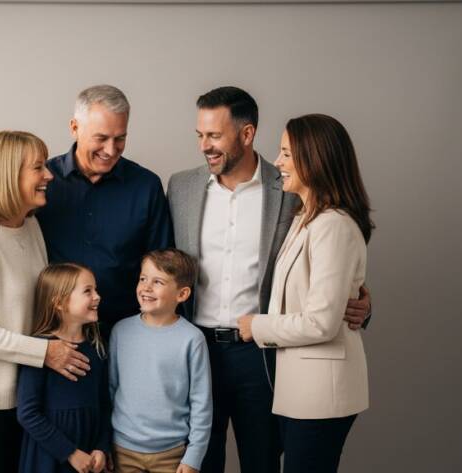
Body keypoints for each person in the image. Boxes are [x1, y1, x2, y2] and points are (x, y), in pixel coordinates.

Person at [166, 87, 372, 473]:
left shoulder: (293, 189)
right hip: (196, 348)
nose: (204, 146)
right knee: (198, 461)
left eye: (214, 136)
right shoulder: (181, 187)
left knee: (262, 460)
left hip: (262, 355)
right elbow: (164, 266)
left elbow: (331, 263)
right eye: (200, 135)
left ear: (246, 134)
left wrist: (360, 300)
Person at [0, 85, 173, 337]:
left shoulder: (146, 186)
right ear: (74, 128)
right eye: (101, 138)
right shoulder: (40, 181)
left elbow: (163, 264)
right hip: (50, 335)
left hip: (125, 332)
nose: (111, 150)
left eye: (120, 138)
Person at [0, 130, 88, 472]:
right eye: (38, 167)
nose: (49, 175)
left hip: (24, 394)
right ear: (9, 175)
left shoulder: (30, 226)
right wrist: (45, 353)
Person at [236, 114, 373, 473]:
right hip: (299, 389)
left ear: (315, 160)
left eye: (285, 154)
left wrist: (258, 326)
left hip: (321, 393)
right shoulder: (305, 218)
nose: (277, 163)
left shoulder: (333, 226)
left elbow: (322, 323)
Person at [109, 249, 212, 473]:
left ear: (182, 294)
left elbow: (201, 403)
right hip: (123, 450)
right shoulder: (121, 331)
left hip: (172, 454)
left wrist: (193, 457)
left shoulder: (192, 339)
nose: (146, 287)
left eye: (158, 282)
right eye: (143, 279)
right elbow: (111, 389)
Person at [17, 263, 112, 473]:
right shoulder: (41, 349)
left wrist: (101, 447)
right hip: (49, 457)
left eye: (95, 290)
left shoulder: (98, 347)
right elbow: (27, 413)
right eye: (88, 291)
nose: (97, 296)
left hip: (90, 455)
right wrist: (70, 453)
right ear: (59, 302)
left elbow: (105, 404)